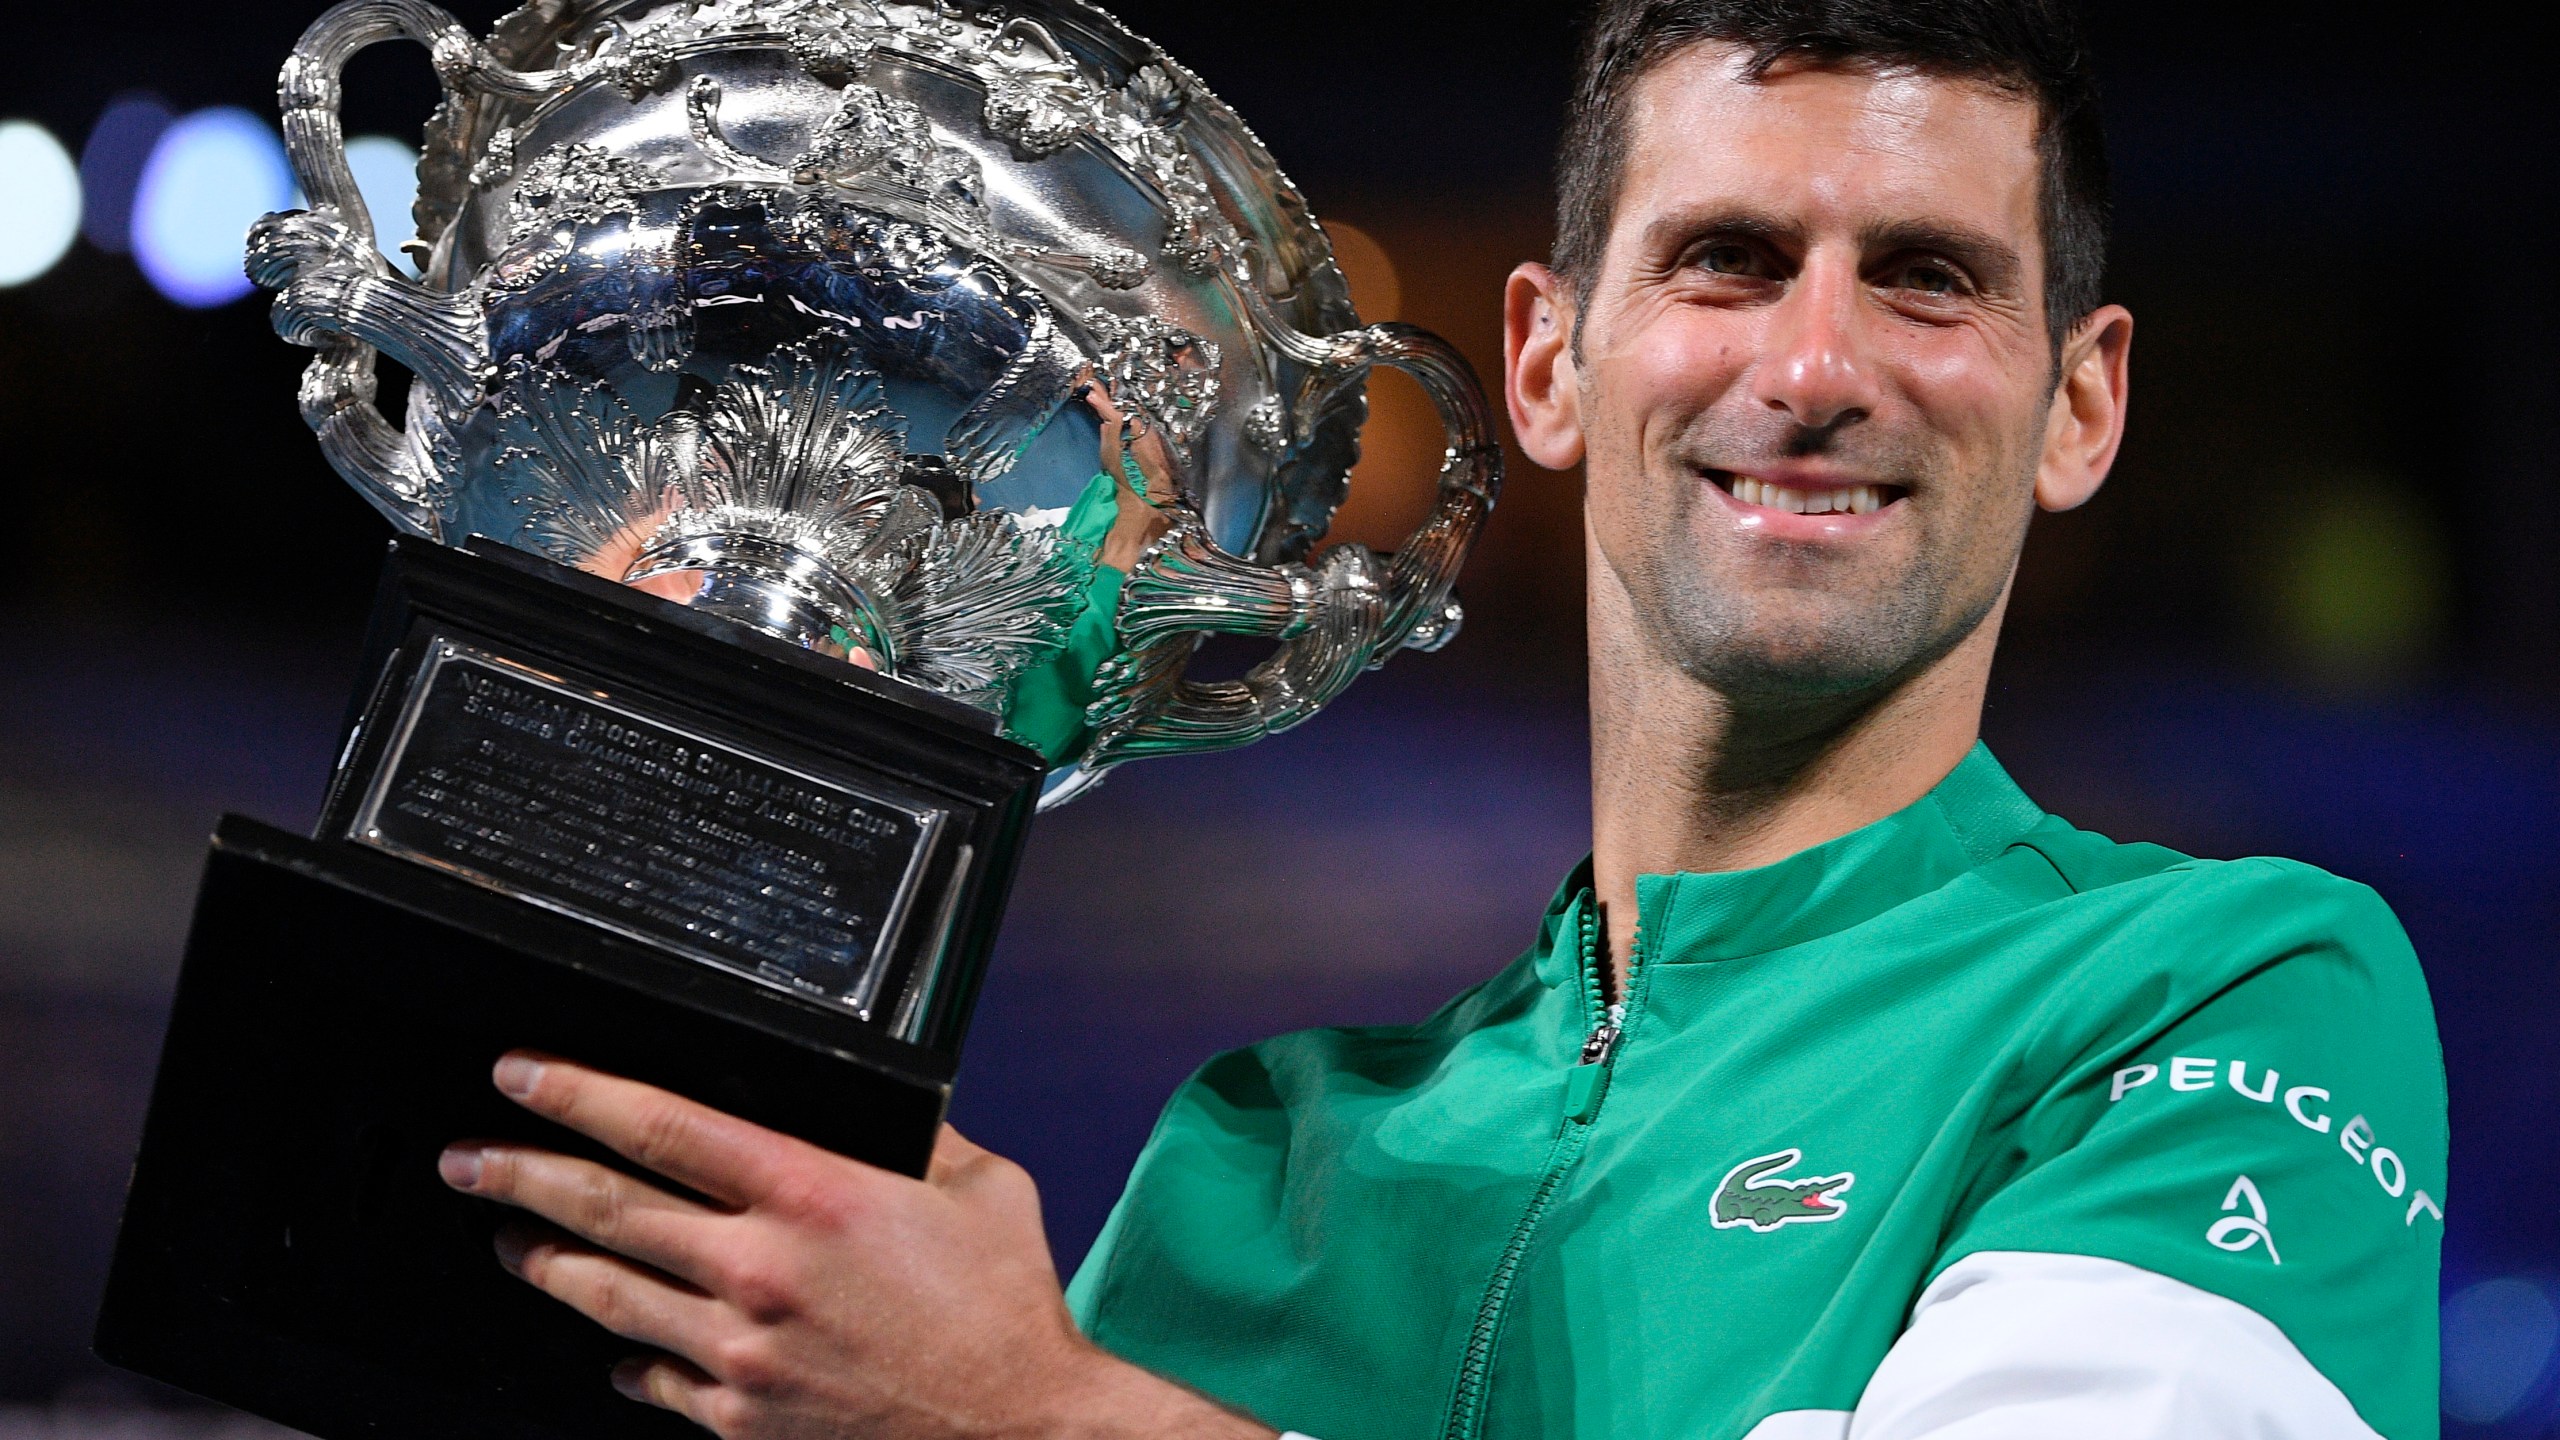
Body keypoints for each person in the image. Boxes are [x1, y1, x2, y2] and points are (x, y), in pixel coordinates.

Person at [428, 1, 2448, 1436]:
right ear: (1549, 364)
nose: (1816, 363)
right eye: (1726, 260)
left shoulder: (2215, 997)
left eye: (1924, 279)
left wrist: (1033, 1420)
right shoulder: (1262, 1167)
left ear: (2077, 403)